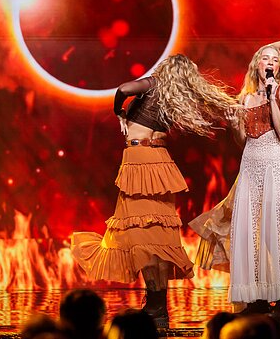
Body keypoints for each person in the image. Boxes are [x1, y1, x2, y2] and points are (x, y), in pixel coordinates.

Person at [71, 54, 239, 327]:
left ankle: (156, 305)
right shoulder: (175, 96)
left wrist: (119, 112)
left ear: (165, 69)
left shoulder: (155, 84)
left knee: (144, 234)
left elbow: (124, 88)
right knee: (155, 234)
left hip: (141, 161)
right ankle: (157, 306)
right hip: (157, 162)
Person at [190, 44, 280, 315]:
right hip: (250, 166)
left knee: (275, 232)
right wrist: (235, 125)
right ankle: (256, 297)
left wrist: (272, 98)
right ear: (257, 65)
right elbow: (243, 140)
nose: (270, 62)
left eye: (274, 59)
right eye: (265, 58)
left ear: (279, 66)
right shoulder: (246, 97)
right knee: (251, 232)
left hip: (274, 165)